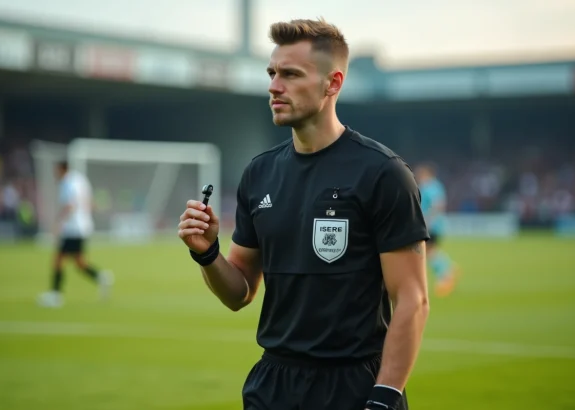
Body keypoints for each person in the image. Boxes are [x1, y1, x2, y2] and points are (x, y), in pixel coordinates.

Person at [178, 18, 430, 410]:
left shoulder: (383, 173)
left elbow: (412, 300)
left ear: (333, 84)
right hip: (273, 384)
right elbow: (239, 292)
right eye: (272, 73)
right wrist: (207, 253)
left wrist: (385, 396)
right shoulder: (259, 173)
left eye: (291, 74)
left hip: (353, 385)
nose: (274, 86)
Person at [38, 161, 113, 308]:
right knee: (79, 262)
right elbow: (89, 202)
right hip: (83, 226)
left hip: (73, 229)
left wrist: (58, 222)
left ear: (62, 169)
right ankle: (101, 277)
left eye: (56, 171)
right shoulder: (81, 180)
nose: (55, 174)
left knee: (58, 260)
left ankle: (55, 295)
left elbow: (70, 206)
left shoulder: (67, 183)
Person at [415, 163, 460, 297]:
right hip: (431, 224)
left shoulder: (430, 186)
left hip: (431, 225)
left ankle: (446, 272)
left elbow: (437, 205)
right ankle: (447, 270)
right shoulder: (433, 186)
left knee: (428, 251)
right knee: (428, 251)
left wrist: (429, 221)